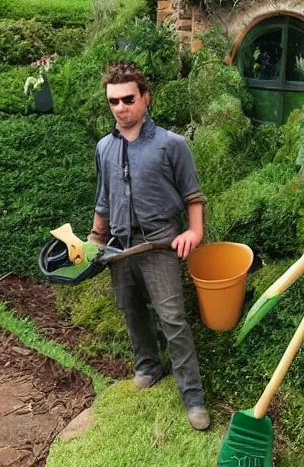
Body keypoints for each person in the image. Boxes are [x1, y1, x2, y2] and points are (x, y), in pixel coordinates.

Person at [88, 61, 210, 431]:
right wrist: (94, 240)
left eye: (128, 99)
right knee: (131, 311)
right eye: (113, 101)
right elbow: (104, 199)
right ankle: (148, 367)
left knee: (173, 319)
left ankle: (193, 396)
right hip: (119, 248)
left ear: (145, 98)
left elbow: (194, 195)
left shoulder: (171, 145)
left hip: (159, 246)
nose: (121, 107)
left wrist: (194, 232)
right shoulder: (104, 147)